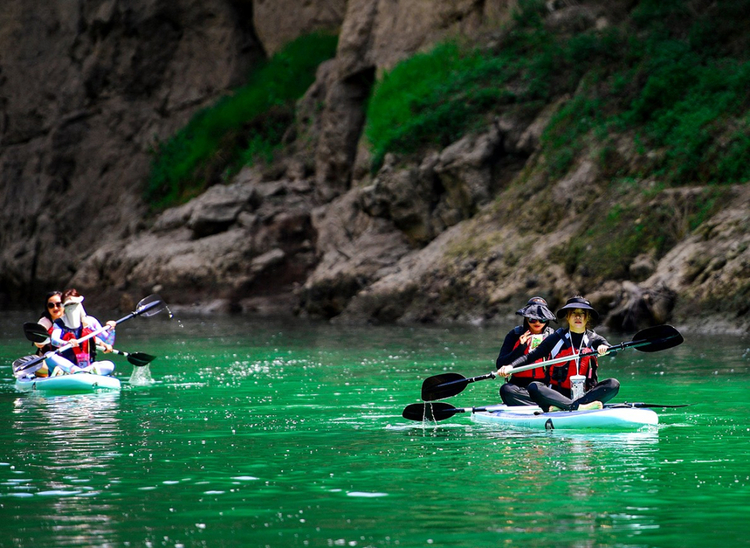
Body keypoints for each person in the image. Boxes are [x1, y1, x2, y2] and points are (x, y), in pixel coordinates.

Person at [496, 296, 620, 412]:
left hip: (586, 395)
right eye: (574, 314)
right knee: (534, 387)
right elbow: (530, 356)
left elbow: (612, 351)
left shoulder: (594, 339)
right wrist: (511, 366)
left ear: (587, 317)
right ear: (567, 317)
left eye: (582, 314)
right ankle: (575, 407)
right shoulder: (556, 338)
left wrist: (606, 349)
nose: (578, 317)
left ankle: (569, 407)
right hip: (557, 394)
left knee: (613, 384)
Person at [495, 297, 556, 406]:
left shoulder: (553, 336)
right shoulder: (514, 334)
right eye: (533, 319)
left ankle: (537, 401)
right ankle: (542, 404)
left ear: (547, 320)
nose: (537, 323)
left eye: (542, 319)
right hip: (518, 386)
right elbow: (500, 364)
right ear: (526, 319)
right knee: (506, 390)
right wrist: (520, 348)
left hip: (543, 386)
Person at [48, 288, 117, 376]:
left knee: (109, 365)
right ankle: (72, 370)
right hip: (67, 366)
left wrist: (111, 330)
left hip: (87, 366)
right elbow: (54, 340)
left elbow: (108, 342)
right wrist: (66, 343)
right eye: (68, 305)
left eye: (74, 304)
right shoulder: (59, 324)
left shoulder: (91, 322)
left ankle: (87, 371)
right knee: (49, 355)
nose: (71, 307)